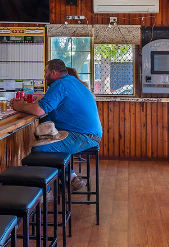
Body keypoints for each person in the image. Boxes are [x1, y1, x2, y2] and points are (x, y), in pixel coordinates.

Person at [11, 59, 102, 190]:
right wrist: (41, 98)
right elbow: (55, 101)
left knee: (40, 151)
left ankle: (45, 194)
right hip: (89, 133)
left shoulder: (59, 84)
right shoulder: (71, 81)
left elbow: (39, 111)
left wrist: (19, 106)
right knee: (47, 140)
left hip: (83, 135)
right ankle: (70, 177)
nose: (44, 76)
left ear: (53, 72)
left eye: (46, 72)